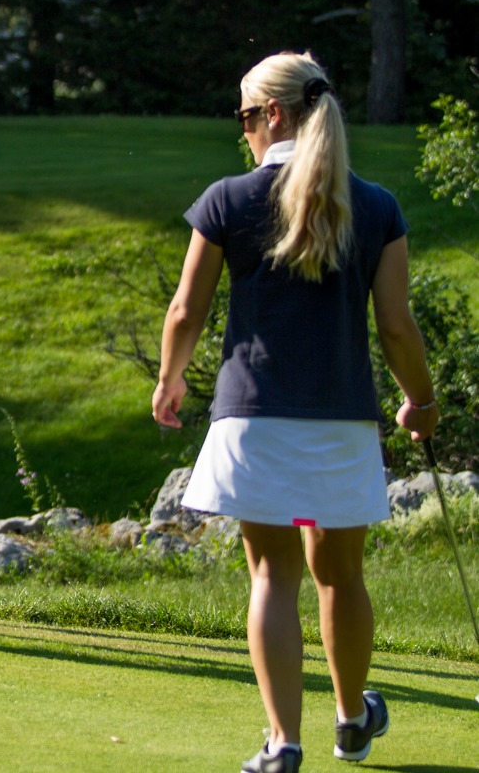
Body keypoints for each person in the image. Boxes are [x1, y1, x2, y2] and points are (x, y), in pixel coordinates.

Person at [152, 52, 438, 773]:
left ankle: (283, 745)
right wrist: (421, 401)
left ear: (272, 115)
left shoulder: (228, 199)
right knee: (340, 574)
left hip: (254, 414)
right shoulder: (375, 206)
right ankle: (350, 719)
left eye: (246, 117)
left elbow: (187, 309)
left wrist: (171, 379)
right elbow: (397, 327)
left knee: (273, 575)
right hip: (342, 418)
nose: (243, 131)